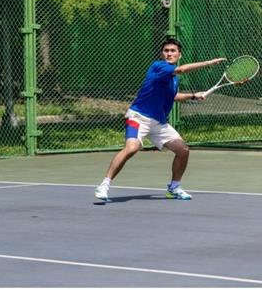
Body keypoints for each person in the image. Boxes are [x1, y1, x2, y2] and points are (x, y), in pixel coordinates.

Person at [94, 38, 226, 201]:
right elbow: (182, 69)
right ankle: (104, 185)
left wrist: (193, 95)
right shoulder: (159, 67)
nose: (169, 53)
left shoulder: (173, 78)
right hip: (139, 117)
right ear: (162, 54)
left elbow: (172, 96)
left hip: (158, 122)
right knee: (132, 148)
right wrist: (208, 63)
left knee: (183, 150)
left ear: (179, 54)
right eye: (166, 51)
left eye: (173, 51)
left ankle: (174, 188)